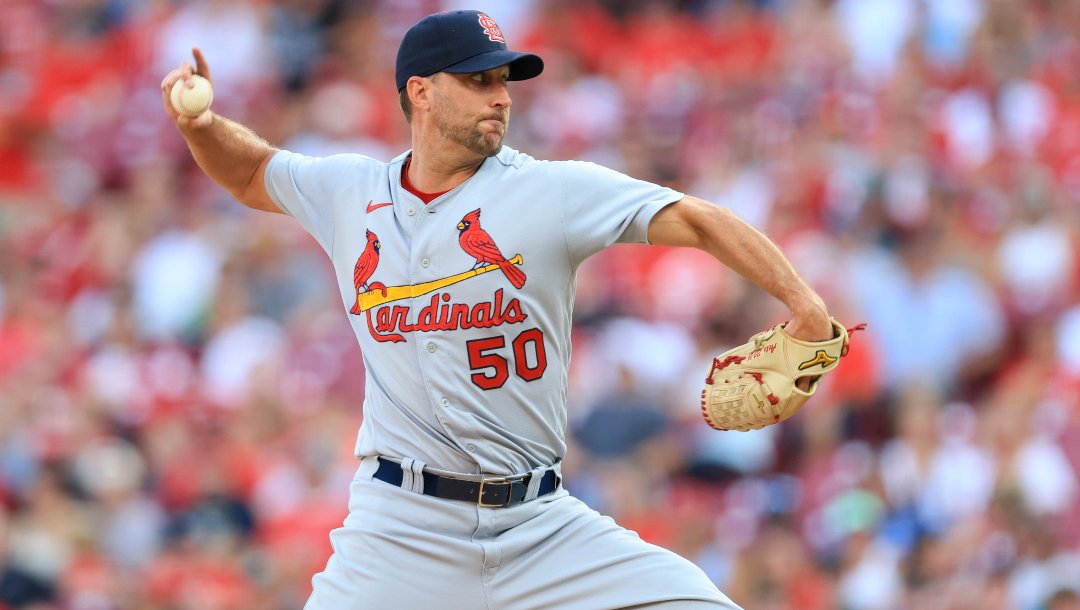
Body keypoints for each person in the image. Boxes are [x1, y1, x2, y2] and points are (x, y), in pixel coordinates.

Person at [161, 9, 833, 609]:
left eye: (504, 81)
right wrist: (201, 124)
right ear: (420, 92)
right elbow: (253, 173)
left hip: (540, 526)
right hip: (400, 530)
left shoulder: (551, 191)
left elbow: (698, 219)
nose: (501, 97)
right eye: (479, 81)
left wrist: (804, 307)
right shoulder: (351, 191)